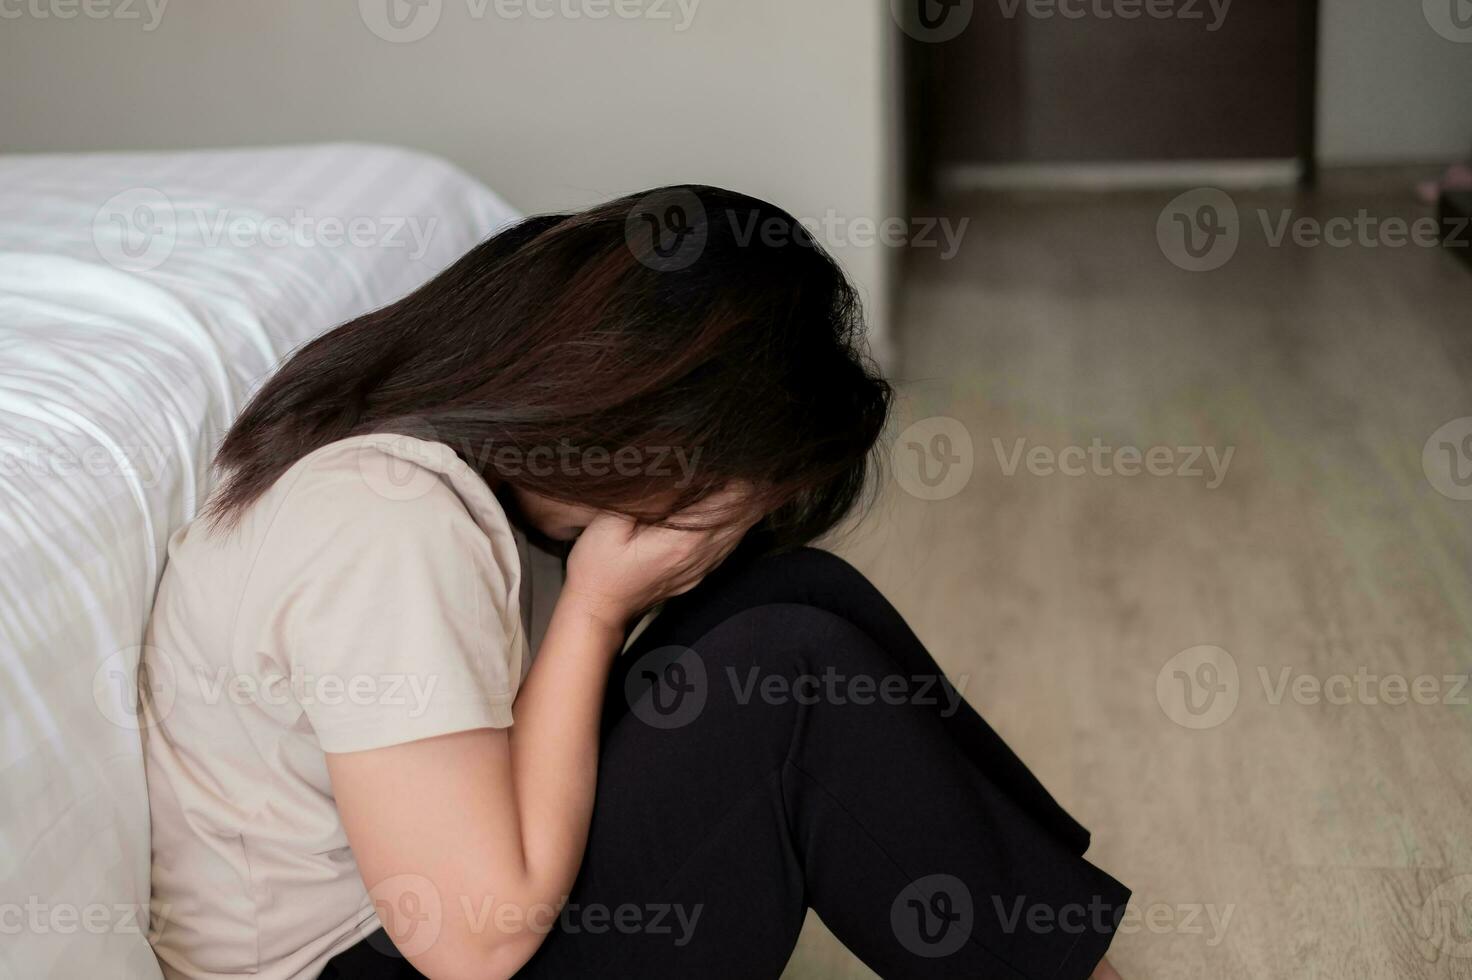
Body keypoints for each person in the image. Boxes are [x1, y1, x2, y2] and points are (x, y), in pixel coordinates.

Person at [141, 186, 1128, 979]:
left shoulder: (438, 452)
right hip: (377, 957)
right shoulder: (388, 526)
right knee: (788, 674)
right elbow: (474, 943)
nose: (705, 528)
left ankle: (1048, 936)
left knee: (798, 595)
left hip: (411, 917)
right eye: (714, 493)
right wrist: (596, 605)